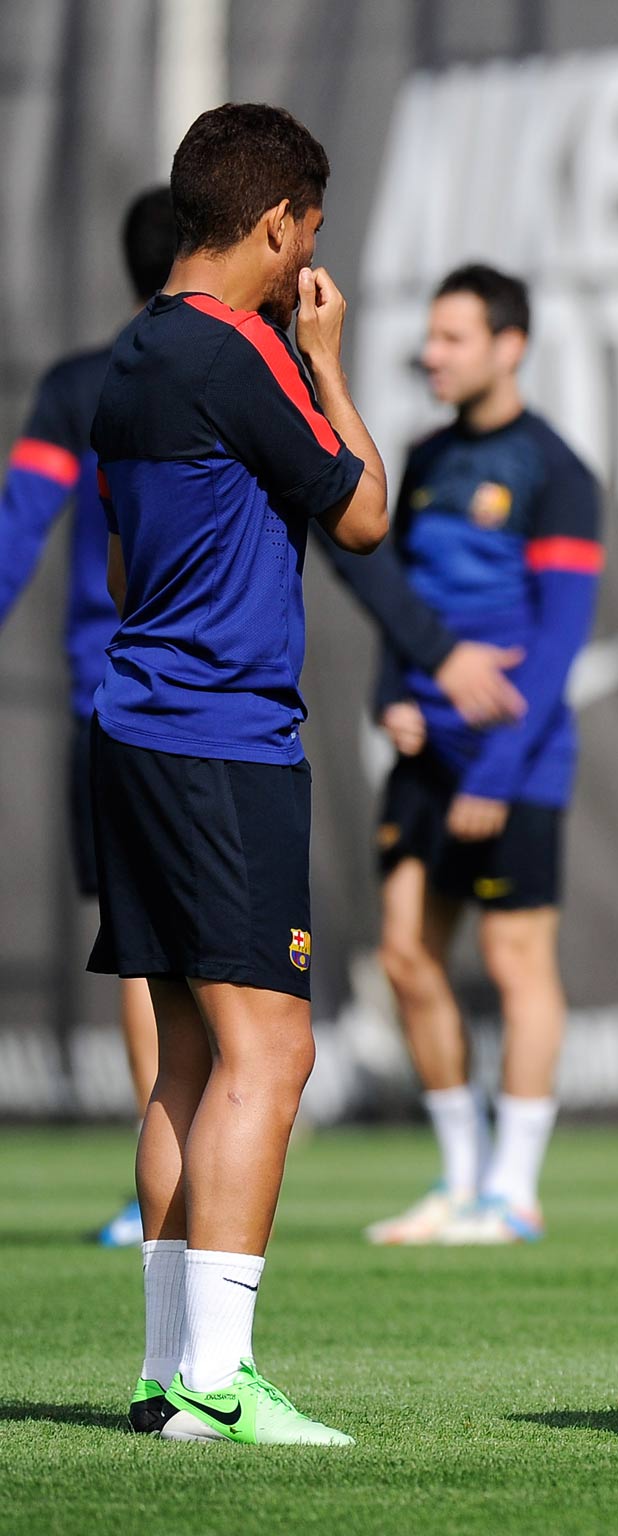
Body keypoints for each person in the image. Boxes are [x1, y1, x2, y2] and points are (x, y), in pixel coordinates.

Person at [94, 102, 390, 1445]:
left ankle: (171, 1377)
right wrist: (327, 357)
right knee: (273, 1045)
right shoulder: (243, 349)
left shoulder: (129, 359)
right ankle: (221, 1373)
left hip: (135, 729)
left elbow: (118, 566)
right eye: (306, 238)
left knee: (186, 1065)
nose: (304, 264)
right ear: (278, 223)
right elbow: (366, 511)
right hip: (223, 739)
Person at [360, 264, 603, 1247]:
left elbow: (558, 641)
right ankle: (459, 1180)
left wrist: (498, 770)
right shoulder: (419, 460)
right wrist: (389, 696)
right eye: (430, 337)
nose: (432, 354)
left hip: (517, 761)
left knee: (514, 960)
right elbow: (396, 595)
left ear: (510, 346)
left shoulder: (557, 472)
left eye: (453, 337)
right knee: (405, 955)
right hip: (425, 760)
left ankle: (514, 1190)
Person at [0, 187, 175, 1249]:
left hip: (107, 705)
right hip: (224, 713)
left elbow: (17, 532)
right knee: (201, 960)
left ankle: (158, 1188)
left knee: (147, 956)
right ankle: (196, 1187)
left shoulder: (77, 384)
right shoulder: (251, 371)